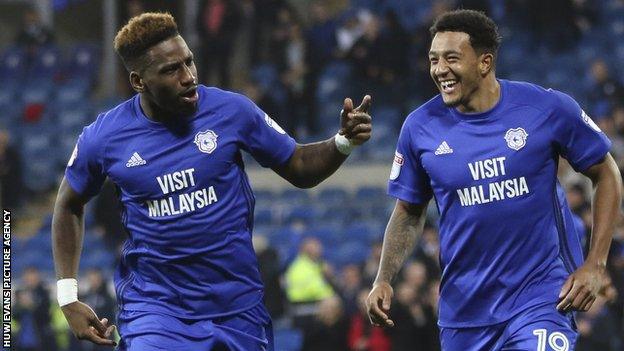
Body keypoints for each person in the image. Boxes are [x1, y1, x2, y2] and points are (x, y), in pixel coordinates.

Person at [52, 12, 372, 350]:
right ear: (138, 81)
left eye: (189, 62)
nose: (188, 77)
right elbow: (68, 204)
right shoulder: (104, 138)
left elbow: (298, 164)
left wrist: (343, 142)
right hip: (157, 313)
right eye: (171, 70)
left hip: (238, 309)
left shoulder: (231, 111)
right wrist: (67, 295)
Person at [366, 9, 622, 350]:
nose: (440, 70)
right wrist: (383, 278)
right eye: (433, 60)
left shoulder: (545, 108)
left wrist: (595, 264)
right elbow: (409, 211)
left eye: (451, 58)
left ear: (484, 62)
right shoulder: (419, 127)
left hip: (541, 300)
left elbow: (605, 173)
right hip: (464, 314)